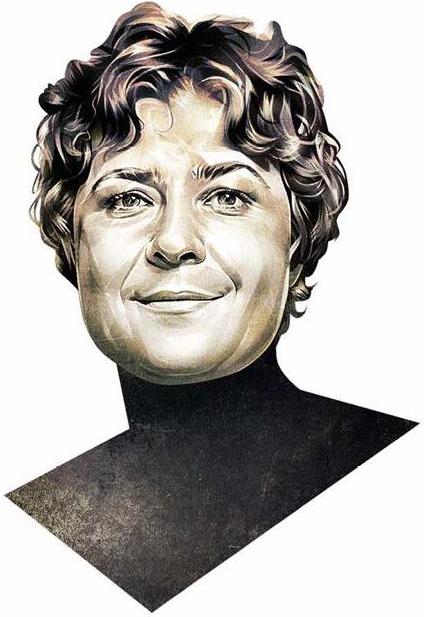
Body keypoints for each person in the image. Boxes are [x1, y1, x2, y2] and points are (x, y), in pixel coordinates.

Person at [7, 3, 416, 611]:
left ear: (297, 243)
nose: (175, 241)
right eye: (127, 198)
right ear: (72, 243)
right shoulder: (26, 537)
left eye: (227, 196)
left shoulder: (404, 485)